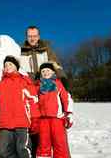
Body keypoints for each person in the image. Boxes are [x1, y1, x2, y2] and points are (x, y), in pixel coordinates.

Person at [20, 25, 69, 158]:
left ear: (39, 36)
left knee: (57, 136)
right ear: (26, 36)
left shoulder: (46, 49)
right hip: (31, 89)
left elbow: (55, 64)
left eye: (35, 36)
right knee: (36, 126)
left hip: (46, 89)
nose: (32, 38)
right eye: (30, 36)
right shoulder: (21, 51)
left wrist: (62, 78)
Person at [0, 55, 40, 158]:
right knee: (4, 152)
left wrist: (35, 118)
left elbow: (32, 101)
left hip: (22, 122)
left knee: (23, 149)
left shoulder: (25, 82)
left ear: (16, 66)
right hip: (4, 123)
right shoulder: (1, 84)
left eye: (10, 64)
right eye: (5, 65)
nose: (7, 66)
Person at [34, 62, 73, 158]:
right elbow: (34, 102)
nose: (45, 72)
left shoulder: (58, 84)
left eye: (48, 70)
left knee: (59, 143)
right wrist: (34, 117)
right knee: (43, 143)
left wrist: (68, 114)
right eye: (43, 71)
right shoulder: (37, 86)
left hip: (57, 119)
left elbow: (66, 98)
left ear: (53, 72)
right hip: (43, 120)